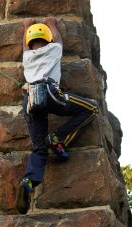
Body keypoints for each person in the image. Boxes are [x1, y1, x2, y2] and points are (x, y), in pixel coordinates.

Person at [16, 17, 99, 214]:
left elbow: (24, 46)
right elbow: (59, 39)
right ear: (47, 39)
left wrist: (26, 26)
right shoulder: (53, 49)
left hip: (29, 100)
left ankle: (28, 181)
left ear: (29, 41)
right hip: (50, 94)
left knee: (38, 148)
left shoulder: (27, 56)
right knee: (91, 108)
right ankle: (58, 137)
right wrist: (52, 24)